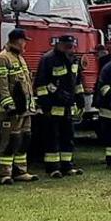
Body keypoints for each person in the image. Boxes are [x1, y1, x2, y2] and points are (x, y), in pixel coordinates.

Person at [0, 29, 39, 185]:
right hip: (12, 110)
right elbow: (1, 86)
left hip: (25, 109)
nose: (25, 44)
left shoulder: (20, 58)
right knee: (10, 139)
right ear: (17, 40)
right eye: (24, 41)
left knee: (24, 138)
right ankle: (4, 172)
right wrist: (9, 106)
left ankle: (20, 171)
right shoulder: (3, 58)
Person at [36, 34, 82, 178]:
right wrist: (47, 103)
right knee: (52, 137)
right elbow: (41, 83)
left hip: (68, 106)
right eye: (67, 47)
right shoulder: (48, 59)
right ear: (59, 45)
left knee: (68, 136)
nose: (71, 49)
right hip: (53, 106)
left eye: (72, 46)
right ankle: (53, 168)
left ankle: (67, 166)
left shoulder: (74, 60)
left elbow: (77, 81)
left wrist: (80, 97)